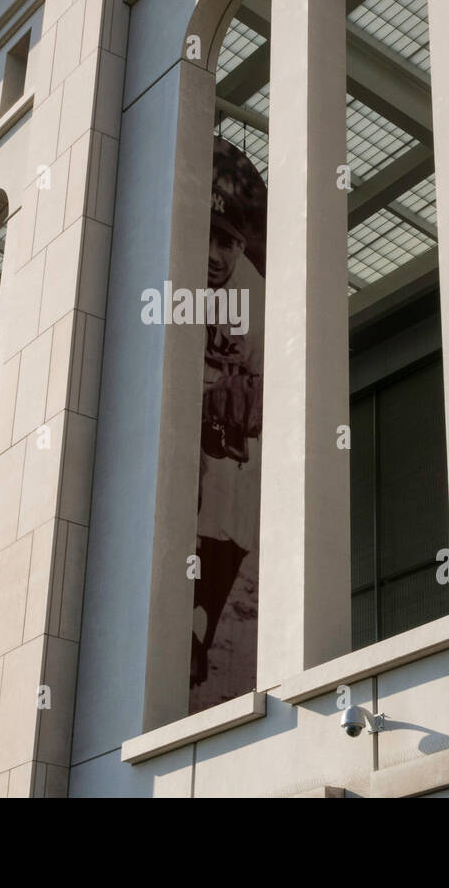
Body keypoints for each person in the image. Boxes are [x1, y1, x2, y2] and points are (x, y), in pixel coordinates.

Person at [191, 138, 267, 712]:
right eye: (209, 235)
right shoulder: (168, 275)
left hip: (219, 436)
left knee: (232, 481)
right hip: (172, 424)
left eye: (230, 241)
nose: (217, 254)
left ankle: (203, 623)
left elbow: (265, 384)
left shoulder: (254, 296)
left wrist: (242, 395)